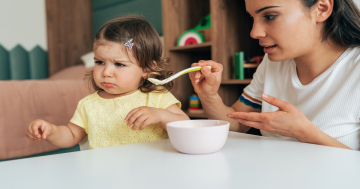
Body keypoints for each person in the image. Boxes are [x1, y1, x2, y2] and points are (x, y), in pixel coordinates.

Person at [189, 0, 360, 150]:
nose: (254, 33)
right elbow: (236, 124)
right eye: (252, 18)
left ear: (321, 9)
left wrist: (305, 132)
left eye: (270, 16)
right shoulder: (273, 63)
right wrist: (208, 95)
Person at [26, 15, 189, 149]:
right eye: (99, 62)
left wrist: (161, 115)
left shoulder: (157, 98)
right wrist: (51, 131)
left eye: (119, 64)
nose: (106, 72)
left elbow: (187, 128)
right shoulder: (88, 104)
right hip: (103, 175)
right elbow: (71, 135)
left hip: (150, 172)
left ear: (147, 69)